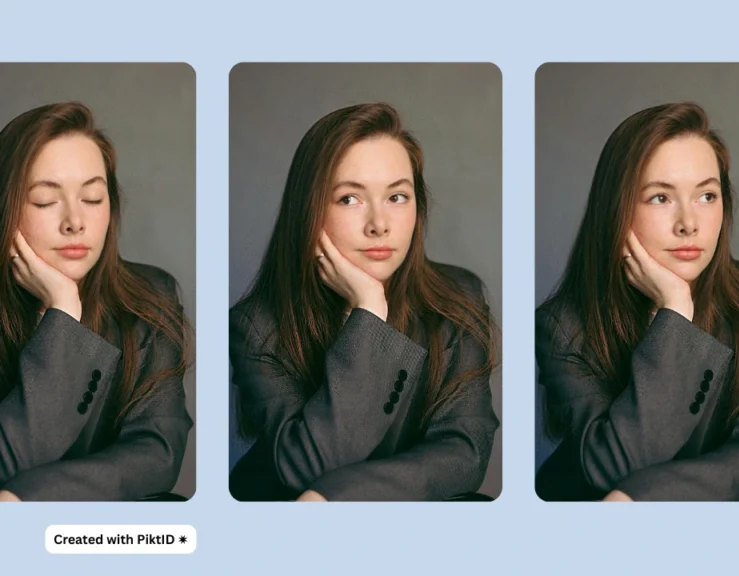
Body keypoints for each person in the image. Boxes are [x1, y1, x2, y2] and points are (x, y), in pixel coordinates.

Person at [229, 102, 499, 502]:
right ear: (309, 210)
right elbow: (307, 467)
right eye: (349, 199)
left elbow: (464, 454)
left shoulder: (458, 297)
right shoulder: (256, 325)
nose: (379, 224)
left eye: (397, 196)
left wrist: (342, 494)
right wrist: (369, 312)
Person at [535, 102, 739, 501]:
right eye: (660, 198)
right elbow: (613, 465)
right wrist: (675, 312)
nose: (689, 224)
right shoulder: (563, 325)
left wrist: (647, 495)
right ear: (617, 209)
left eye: (707, 196)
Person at [0, 101, 193, 502]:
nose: (75, 222)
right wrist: (62, 313)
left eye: (92, 198)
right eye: (44, 200)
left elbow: (157, 452)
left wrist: (30, 496)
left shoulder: (151, 295)